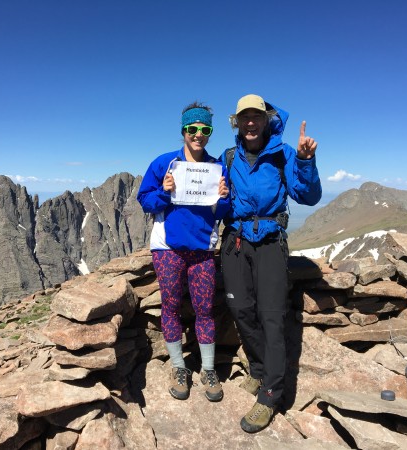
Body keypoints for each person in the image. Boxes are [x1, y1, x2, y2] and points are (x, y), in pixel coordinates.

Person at [220, 94, 321, 432]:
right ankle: (259, 369)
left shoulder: (283, 155)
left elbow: (307, 195)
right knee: (241, 309)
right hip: (235, 242)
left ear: (266, 121)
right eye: (244, 117)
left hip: (270, 243)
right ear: (238, 122)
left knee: (272, 317)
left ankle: (270, 396)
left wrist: (306, 162)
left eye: (257, 117)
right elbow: (217, 201)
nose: (251, 123)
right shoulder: (229, 156)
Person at [137, 102, 230, 402]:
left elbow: (224, 212)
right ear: (183, 131)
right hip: (167, 249)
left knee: (204, 310)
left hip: (203, 249)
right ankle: (179, 368)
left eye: (204, 129)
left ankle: (208, 369)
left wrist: (225, 197)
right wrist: (164, 191)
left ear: (210, 132)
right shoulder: (164, 163)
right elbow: (146, 201)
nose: (198, 134)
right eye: (192, 129)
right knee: (172, 306)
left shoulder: (217, 168)